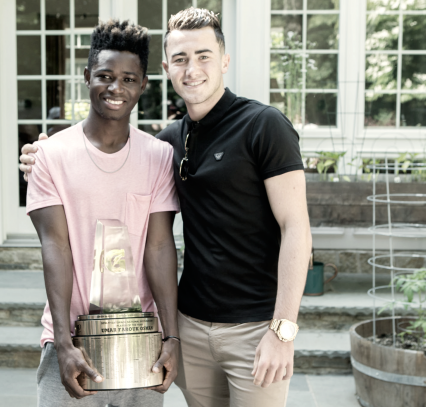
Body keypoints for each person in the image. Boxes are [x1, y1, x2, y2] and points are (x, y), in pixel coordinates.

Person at [20, 8, 312, 407]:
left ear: (224, 60)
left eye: (204, 56)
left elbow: (295, 227)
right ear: (166, 69)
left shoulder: (262, 125)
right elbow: (64, 226)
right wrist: (42, 156)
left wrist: (283, 331)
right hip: (190, 326)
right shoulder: (171, 142)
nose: (192, 69)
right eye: (180, 59)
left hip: (252, 328)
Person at [26, 20, 180, 406]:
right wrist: (63, 343)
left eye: (129, 79)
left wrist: (171, 337)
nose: (116, 88)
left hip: (142, 342)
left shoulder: (158, 156)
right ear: (86, 76)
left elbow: (160, 247)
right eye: (105, 76)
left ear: (143, 85)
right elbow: (55, 248)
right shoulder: (51, 155)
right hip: (72, 340)